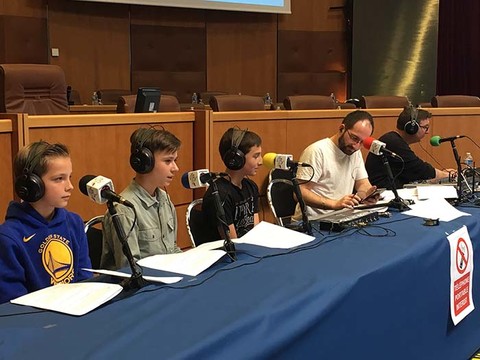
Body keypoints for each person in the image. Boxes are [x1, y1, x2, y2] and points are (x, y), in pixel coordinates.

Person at [0, 141, 92, 304]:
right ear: (32, 184)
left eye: (69, 177)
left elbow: (84, 280)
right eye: (59, 179)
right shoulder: (9, 237)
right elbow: (12, 304)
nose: (70, 186)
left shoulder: (74, 223)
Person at [101, 127, 182, 270]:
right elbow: (129, 268)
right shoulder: (125, 210)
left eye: (175, 160)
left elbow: (172, 249)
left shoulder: (165, 199)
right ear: (145, 162)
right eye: (168, 161)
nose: (175, 168)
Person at [294, 110, 379, 220]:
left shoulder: (355, 152)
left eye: (362, 142)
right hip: (314, 221)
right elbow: (299, 192)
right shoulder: (317, 151)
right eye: (354, 138)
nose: (356, 146)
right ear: (341, 128)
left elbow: (362, 183)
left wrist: (366, 195)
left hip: (341, 218)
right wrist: (334, 204)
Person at [365, 107, 455, 190]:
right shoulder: (394, 143)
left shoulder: (393, 139)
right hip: (382, 197)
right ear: (412, 128)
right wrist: (447, 175)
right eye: (425, 128)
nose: (427, 132)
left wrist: (442, 174)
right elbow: (420, 169)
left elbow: (414, 171)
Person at [202, 128, 262, 242]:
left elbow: (256, 232)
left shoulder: (251, 186)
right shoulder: (219, 195)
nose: (261, 161)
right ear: (236, 159)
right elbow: (232, 243)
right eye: (256, 156)